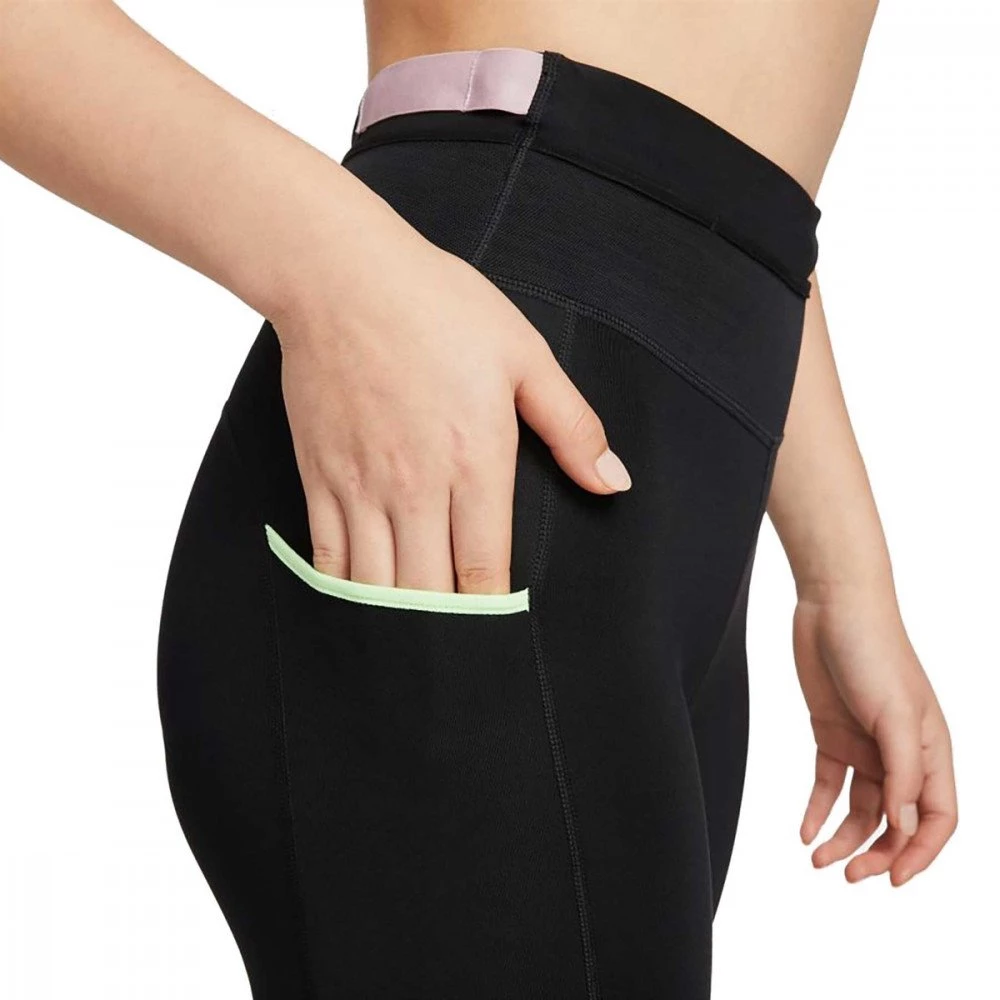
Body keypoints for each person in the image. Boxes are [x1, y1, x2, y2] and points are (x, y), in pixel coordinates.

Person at [0, 1, 958, 997]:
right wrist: (333, 268)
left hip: (666, 463)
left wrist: (843, 574)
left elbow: (723, 152)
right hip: (460, 442)